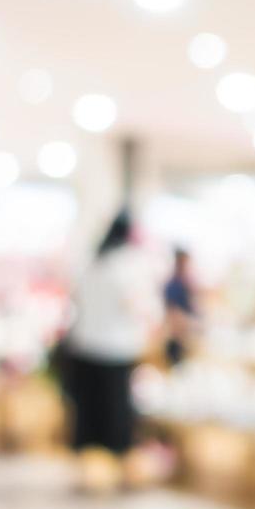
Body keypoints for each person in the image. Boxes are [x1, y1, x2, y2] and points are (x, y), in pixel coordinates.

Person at [65, 210, 158, 490]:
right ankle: (115, 470)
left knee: (90, 410)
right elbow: (136, 305)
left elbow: (75, 299)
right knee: (115, 413)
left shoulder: (91, 262)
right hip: (115, 349)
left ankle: (90, 469)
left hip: (84, 346)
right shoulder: (128, 265)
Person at [162, 247, 199, 367]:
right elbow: (173, 313)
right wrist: (189, 324)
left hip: (186, 333)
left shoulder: (186, 282)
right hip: (177, 336)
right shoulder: (172, 284)